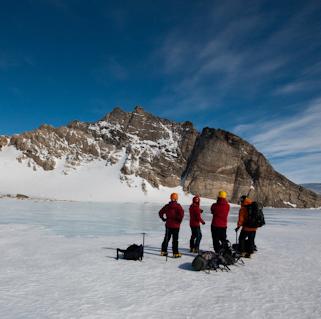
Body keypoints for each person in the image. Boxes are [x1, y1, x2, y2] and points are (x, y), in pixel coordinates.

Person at [159, 193, 184, 258]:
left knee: (166, 238)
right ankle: (175, 253)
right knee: (175, 240)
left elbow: (160, 212)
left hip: (168, 225)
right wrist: (179, 221)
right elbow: (181, 215)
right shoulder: (178, 206)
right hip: (176, 226)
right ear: (176, 199)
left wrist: (163, 218)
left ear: (171, 198)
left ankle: (163, 251)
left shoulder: (167, 206)